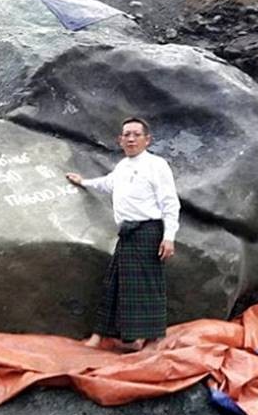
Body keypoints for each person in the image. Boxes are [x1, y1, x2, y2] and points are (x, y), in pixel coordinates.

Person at [66, 118, 180, 352]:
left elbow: (170, 202)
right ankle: (103, 336)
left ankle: (153, 340)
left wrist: (169, 236)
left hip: (149, 231)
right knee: (114, 284)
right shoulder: (122, 166)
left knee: (148, 287)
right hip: (127, 233)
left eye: (136, 134)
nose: (130, 139)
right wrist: (83, 181)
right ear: (120, 140)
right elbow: (107, 184)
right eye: (126, 134)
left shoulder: (157, 165)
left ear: (147, 139)